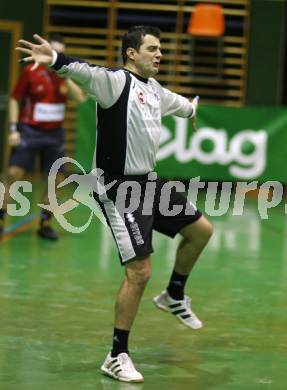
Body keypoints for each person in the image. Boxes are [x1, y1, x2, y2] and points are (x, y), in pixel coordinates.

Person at [16, 26, 213, 382]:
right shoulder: (115, 83)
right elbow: (83, 70)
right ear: (131, 53)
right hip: (117, 187)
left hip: (148, 182)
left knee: (201, 231)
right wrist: (55, 59)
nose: (159, 55)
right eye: (152, 49)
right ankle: (116, 354)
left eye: (160, 49)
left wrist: (191, 110)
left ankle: (174, 294)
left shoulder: (155, 91)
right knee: (139, 272)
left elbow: (182, 105)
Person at [0, 34, 85, 241]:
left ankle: (45, 223)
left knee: (55, 179)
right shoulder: (31, 72)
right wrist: (13, 129)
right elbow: (14, 99)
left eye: (57, 52)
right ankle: (1, 218)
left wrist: (64, 75)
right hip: (30, 132)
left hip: (54, 136)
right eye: (50, 50)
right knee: (13, 173)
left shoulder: (64, 76)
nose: (52, 54)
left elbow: (80, 99)